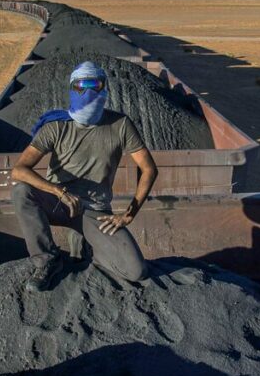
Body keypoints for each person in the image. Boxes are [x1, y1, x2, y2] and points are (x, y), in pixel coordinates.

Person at [10, 61, 158, 292]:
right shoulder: (56, 126)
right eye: (81, 86)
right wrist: (58, 190)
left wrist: (129, 214)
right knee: (21, 192)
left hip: (95, 210)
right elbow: (19, 169)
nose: (88, 92)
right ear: (72, 88)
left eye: (95, 85)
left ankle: (90, 244)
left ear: (104, 88)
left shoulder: (120, 125)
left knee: (136, 271)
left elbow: (148, 168)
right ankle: (48, 260)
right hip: (60, 202)